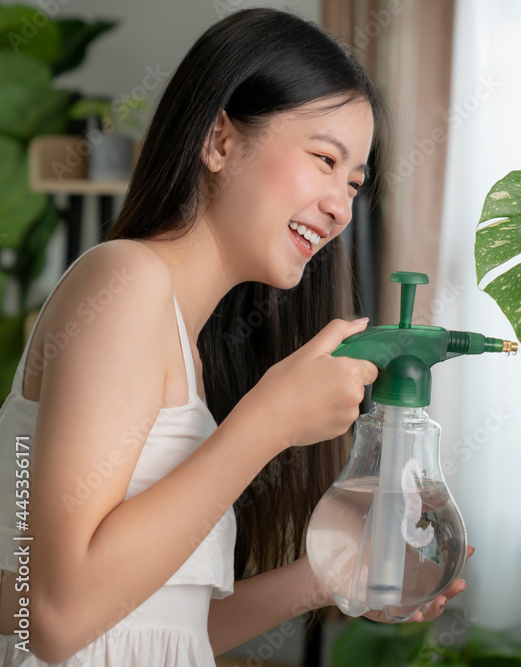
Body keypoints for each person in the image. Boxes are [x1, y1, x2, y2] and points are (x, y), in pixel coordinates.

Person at [0, 8, 469, 665]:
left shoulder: (186, 343)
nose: (341, 203)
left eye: (355, 182)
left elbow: (163, 628)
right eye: (324, 159)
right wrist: (269, 421)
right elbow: (53, 619)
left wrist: (325, 575)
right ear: (219, 139)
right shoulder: (125, 283)